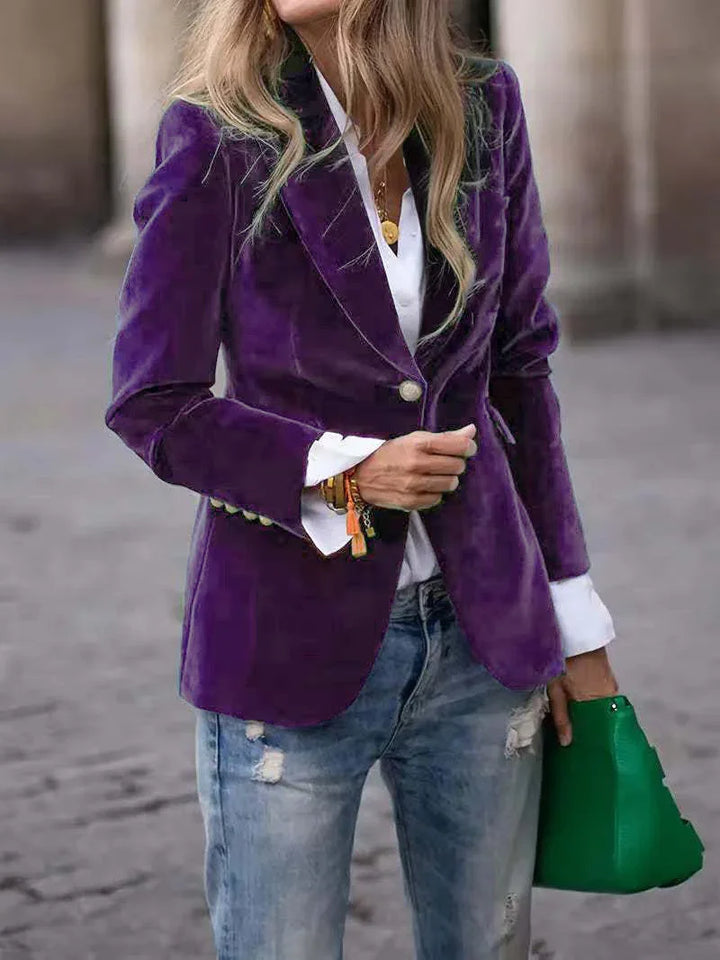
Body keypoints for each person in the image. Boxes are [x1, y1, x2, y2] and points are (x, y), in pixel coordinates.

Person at [104, 1, 620, 957]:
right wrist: (342, 470)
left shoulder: (484, 107)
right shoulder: (219, 134)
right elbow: (154, 403)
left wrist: (576, 627)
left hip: (484, 635)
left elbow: (520, 373)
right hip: (286, 635)